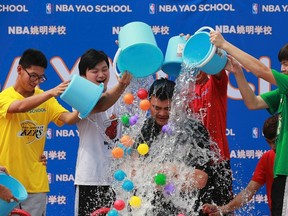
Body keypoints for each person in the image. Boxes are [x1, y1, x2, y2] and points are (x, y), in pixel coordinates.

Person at [0, 48, 131, 216]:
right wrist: (51, 92)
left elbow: (69, 119)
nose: (36, 81)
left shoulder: (46, 100)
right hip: (7, 182)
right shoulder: (6, 97)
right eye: (33, 76)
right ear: (19, 70)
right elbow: (18, 107)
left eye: (40, 77)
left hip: (36, 184)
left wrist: (87, 103)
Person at [209, 31, 288, 216]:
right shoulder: (283, 93)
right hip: (282, 172)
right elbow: (253, 103)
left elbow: (262, 71)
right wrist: (238, 72)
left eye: (286, 63)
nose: (283, 69)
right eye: (282, 64)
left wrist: (225, 44)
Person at [134, 78, 216, 215]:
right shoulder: (145, 128)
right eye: (156, 108)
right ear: (149, 103)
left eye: (167, 109)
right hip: (151, 209)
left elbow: (200, 179)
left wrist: (154, 175)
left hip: (186, 209)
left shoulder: (193, 130)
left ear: (177, 104)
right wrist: (173, 172)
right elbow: (134, 171)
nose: (162, 114)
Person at [73, 49, 132, 216]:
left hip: (119, 180)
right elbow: (100, 105)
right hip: (90, 179)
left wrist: (128, 51)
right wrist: (121, 85)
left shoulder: (122, 96)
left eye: (104, 69)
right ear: (83, 76)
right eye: (94, 71)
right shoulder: (78, 95)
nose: (101, 74)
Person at [202, 114, 278, 215]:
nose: (273, 146)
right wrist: (223, 209)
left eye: (275, 141)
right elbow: (249, 192)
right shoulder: (267, 158)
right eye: (269, 142)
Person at [188, 69, 233, 208]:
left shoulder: (215, 84)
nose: (194, 70)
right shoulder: (184, 94)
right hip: (194, 165)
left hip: (218, 161)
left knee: (221, 209)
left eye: (198, 65)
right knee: (195, 209)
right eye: (191, 66)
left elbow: (217, 69)